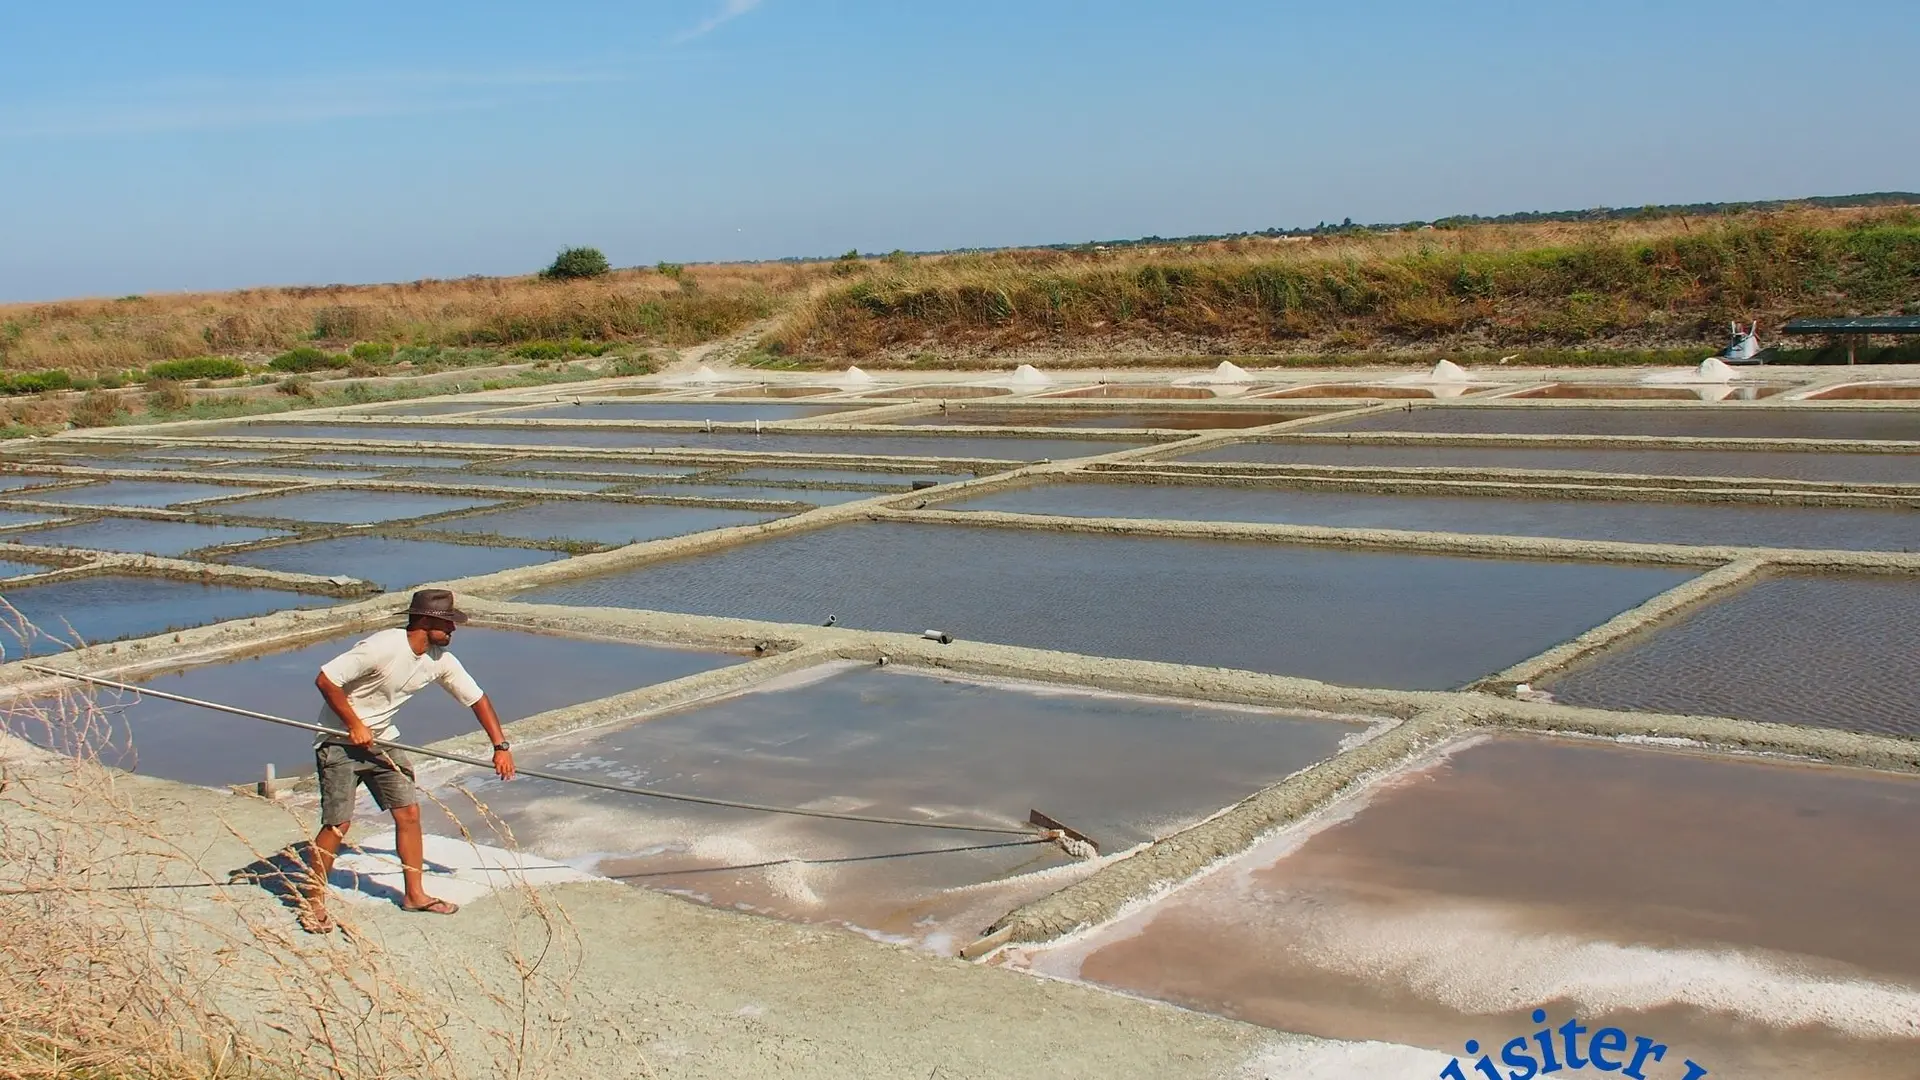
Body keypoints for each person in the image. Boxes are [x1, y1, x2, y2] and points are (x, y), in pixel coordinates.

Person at [298, 589, 515, 934]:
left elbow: (478, 699)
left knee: (409, 813)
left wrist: (500, 745)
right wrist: (354, 724)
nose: (453, 632)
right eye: (448, 625)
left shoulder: (439, 659)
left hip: (383, 740)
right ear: (426, 621)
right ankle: (312, 902)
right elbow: (326, 679)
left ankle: (414, 894)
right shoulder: (383, 646)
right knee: (338, 824)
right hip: (338, 742)